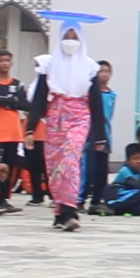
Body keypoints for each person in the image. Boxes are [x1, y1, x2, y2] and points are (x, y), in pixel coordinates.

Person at [26, 18, 107, 232]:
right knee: (55, 165)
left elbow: (96, 103)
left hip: (80, 116)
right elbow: (40, 98)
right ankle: (60, 211)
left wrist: (100, 135)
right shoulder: (50, 65)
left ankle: (71, 209)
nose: (70, 41)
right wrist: (31, 128)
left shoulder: (90, 67)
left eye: (75, 37)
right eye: (66, 37)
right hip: (56, 118)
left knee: (70, 160)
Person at [0, 49, 29, 204]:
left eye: (7, 60)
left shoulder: (18, 83)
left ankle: (3, 197)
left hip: (13, 130)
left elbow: (25, 104)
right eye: (1, 60)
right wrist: (12, 100)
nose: (4, 63)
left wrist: (9, 101)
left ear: (11, 63)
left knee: (10, 163)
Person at [81, 60, 116, 208]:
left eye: (107, 71)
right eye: (101, 71)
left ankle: (97, 199)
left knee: (102, 170)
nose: (104, 74)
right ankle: (80, 199)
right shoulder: (88, 93)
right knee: (89, 169)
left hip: (105, 135)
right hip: (90, 135)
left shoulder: (112, 94)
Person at [24, 54, 51, 207]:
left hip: (46, 127)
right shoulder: (34, 84)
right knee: (33, 163)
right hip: (33, 126)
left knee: (47, 164)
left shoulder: (52, 84)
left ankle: (52, 193)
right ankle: (37, 194)